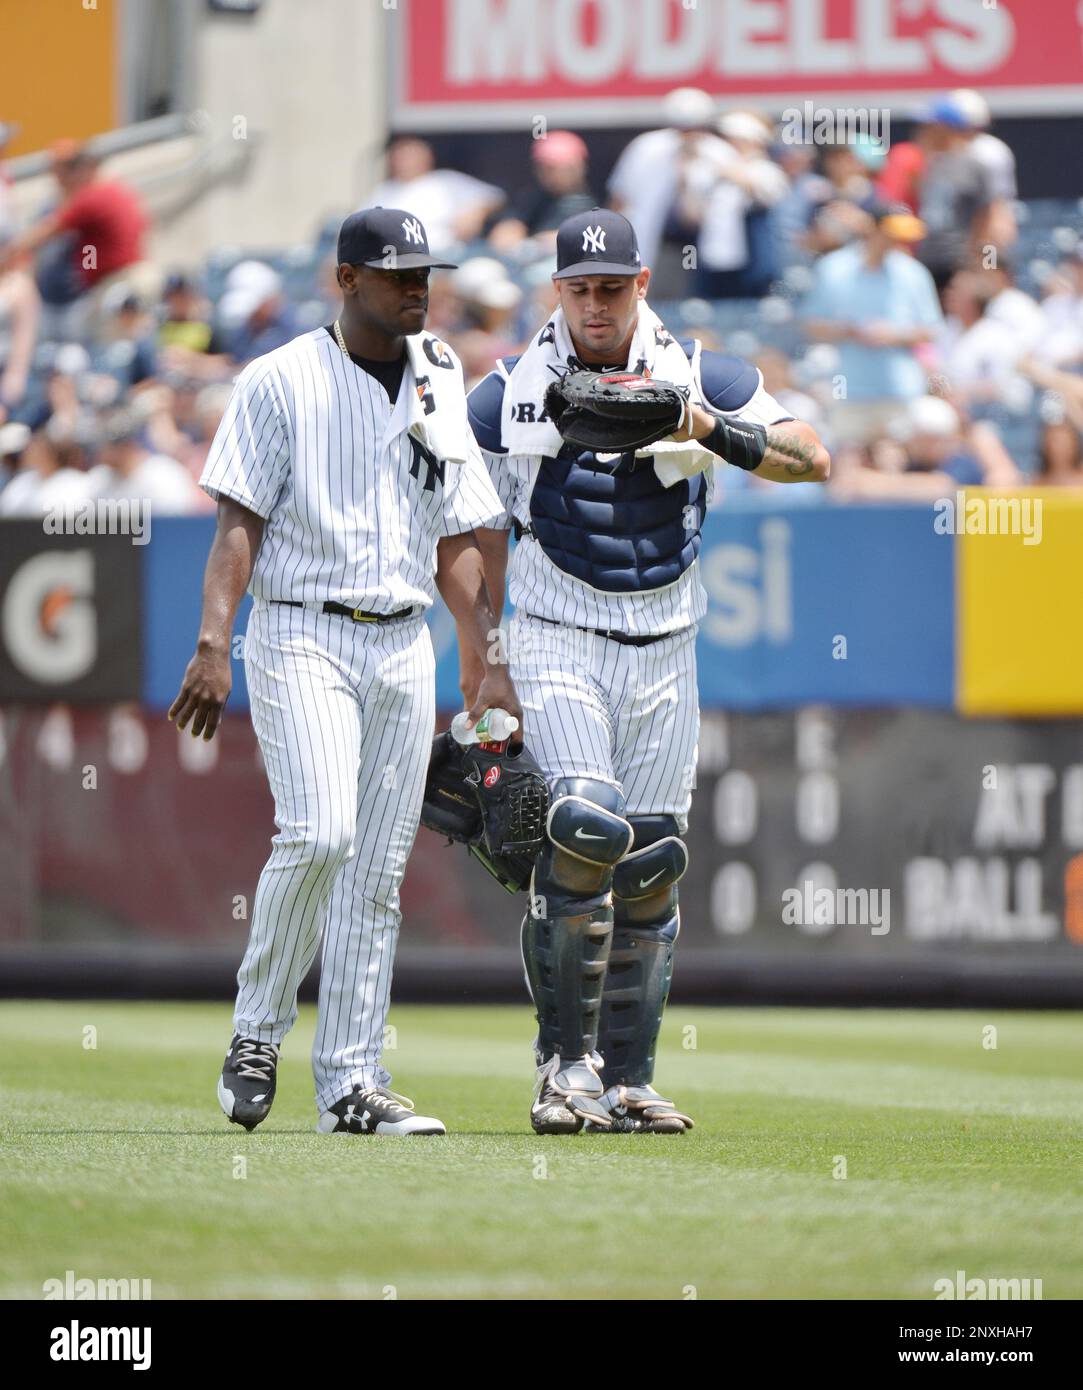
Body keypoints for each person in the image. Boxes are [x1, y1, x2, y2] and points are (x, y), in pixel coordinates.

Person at [462, 209, 829, 1135]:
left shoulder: (701, 371)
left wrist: (699, 422)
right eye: (579, 288)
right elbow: (458, 526)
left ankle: (627, 1080)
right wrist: (483, 663)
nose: (595, 304)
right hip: (554, 630)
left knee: (654, 861)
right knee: (584, 829)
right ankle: (561, 1069)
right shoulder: (504, 393)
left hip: (668, 639)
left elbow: (811, 460)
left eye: (612, 287)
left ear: (641, 286)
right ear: (556, 291)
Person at [169, 208, 519, 1138]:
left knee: (376, 869)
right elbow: (237, 520)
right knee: (320, 834)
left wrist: (484, 655)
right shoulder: (277, 378)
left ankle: (351, 1083)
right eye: (396, 273)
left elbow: (457, 529)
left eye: (424, 273)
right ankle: (256, 1032)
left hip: (405, 639)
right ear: (344, 278)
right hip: (299, 631)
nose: (416, 286)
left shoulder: (441, 372)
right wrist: (213, 640)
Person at [803, 202, 942, 450]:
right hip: (849, 389)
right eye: (891, 234)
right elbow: (812, 325)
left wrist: (893, 335)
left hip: (899, 391)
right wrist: (848, 331)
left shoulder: (913, 272)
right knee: (848, 464)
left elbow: (931, 330)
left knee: (895, 464)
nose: (896, 241)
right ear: (872, 230)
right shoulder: (833, 268)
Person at [367, 136, 504, 258]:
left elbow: (496, 196)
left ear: (427, 156)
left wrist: (477, 212)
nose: (405, 161)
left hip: (446, 255)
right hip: (394, 259)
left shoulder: (446, 180)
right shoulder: (383, 191)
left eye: (411, 155)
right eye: (400, 155)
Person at [488, 130, 595, 254]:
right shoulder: (533, 199)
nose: (548, 174)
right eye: (542, 167)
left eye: (554, 168)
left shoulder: (591, 204)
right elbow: (503, 236)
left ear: (578, 168)